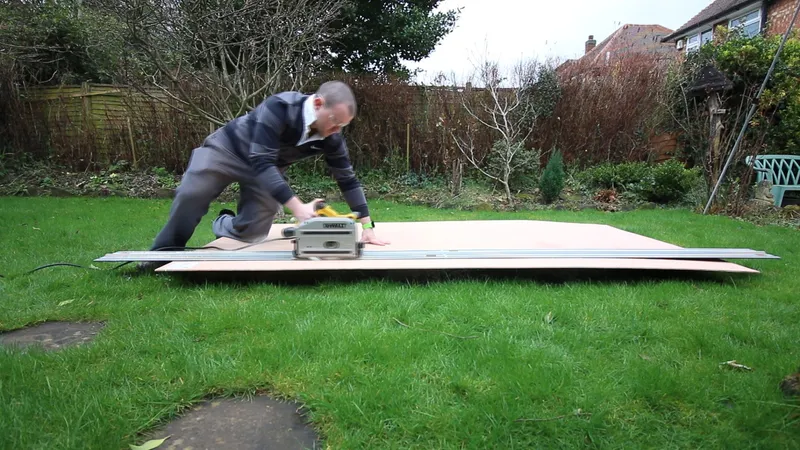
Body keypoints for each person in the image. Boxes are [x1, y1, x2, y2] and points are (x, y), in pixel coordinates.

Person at [138, 80, 389, 271]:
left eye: (342, 126)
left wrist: (367, 226)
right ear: (317, 104)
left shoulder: (331, 136)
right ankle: (161, 254)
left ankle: (223, 223)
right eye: (334, 121)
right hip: (227, 150)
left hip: (266, 168)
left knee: (253, 232)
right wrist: (296, 207)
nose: (336, 130)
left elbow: (347, 179)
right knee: (192, 194)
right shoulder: (280, 107)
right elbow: (261, 160)